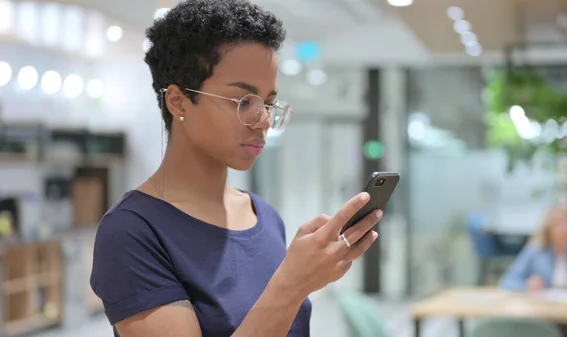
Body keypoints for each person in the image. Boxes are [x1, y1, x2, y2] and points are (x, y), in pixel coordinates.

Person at [89, 1, 382, 337]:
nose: (264, 121)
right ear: (178, 101)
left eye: (269, 103)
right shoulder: (132, 233)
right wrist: (291, 284)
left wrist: (300, 275)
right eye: (244, 102)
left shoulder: (264, 216)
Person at [499, 206, 567, 293]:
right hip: (543, 308)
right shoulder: (535, 250)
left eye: (566, 223)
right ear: (548, 229)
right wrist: (527, 285)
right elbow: (508, 281)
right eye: (557, 224)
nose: (563, 229)